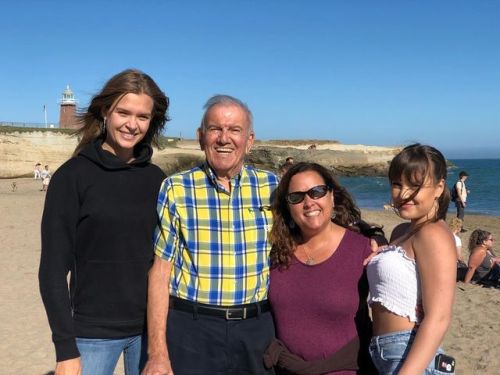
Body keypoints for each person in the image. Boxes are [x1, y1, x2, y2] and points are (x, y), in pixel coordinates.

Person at [38, 69, 169, 375]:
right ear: (106, 111)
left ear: (152, 122)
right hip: (91, 334)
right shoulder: (71, 177)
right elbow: (53, 271)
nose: (132, 124)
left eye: (142, 116)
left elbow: (164, 260)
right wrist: (65, 349)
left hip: (151, 332)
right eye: (123, 112)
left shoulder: (157, 180)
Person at [143, 95, 279, 375]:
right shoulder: (176, 188)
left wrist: (367, 239)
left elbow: (317, 224)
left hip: (257, 329)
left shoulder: (273, 187)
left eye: (234, 130)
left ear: (249, 140)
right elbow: (160, 271)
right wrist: (157, 353)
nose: (224, 138)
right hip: (192, 329)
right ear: (201, 137)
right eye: (215, 129)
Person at [266, 162, 377, 374]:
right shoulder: (276, 251)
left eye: (317, 192)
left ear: (332, 196)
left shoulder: (364, 249)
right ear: (288, 207)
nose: (308, 202)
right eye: (296, 197)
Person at [367, 144, 457, 374]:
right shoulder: (401, 232)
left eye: (415, 185)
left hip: (409, 355)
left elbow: (439, 318)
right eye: (397, 184)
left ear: (439, 187)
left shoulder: (433, 234)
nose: (403, 194)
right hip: (385, 352)